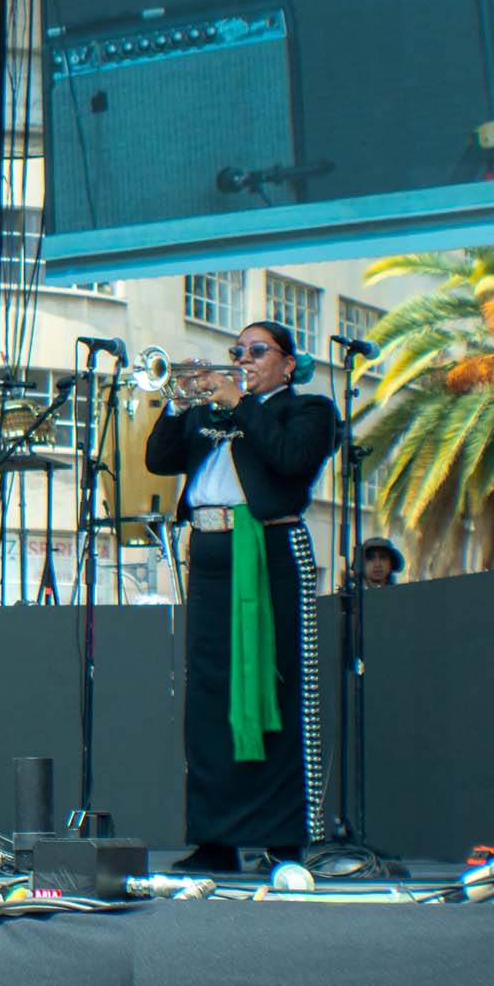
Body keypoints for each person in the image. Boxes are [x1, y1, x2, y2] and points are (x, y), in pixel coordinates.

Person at [146, 320, 337, 873]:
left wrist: (240, 403)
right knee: (209, 696)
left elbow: (291, 461)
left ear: (287, 362)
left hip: (271, 550)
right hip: (209, 553)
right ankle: (215, 838)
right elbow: (159, 461)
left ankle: (282, 840)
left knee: (274, 687)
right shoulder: (215, 413)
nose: (244, 359)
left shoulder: (308, 411)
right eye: (238, 351)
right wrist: (181, 404)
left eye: (257, 351)